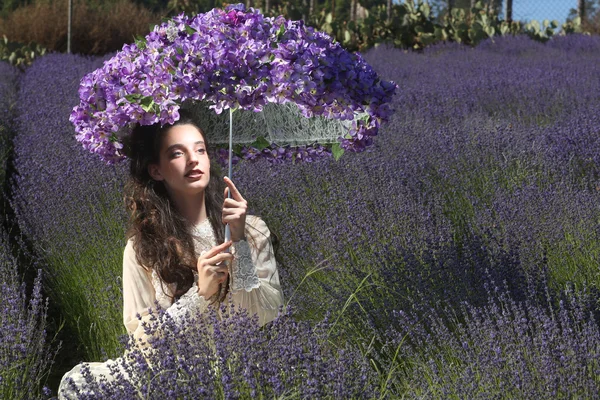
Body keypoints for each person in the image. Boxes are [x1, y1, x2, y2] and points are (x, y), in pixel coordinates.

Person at [58, 111, 284, 398]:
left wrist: (238, 242)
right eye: (178, 153)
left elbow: (266, 313)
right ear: (156, 170)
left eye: (200, 149)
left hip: (245, 377)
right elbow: (145, 343)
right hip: (175, 381)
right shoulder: (141, 248)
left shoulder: (252, 229)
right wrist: (200, 294)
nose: (194, 159)